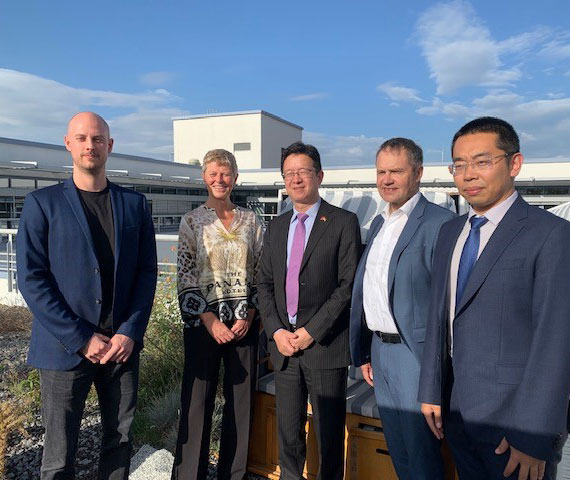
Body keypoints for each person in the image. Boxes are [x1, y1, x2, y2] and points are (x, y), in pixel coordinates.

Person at [419, 117, 570, 480]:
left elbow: (556, 342)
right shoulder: (450, 232)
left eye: (482, 161)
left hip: (514, 425)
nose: (469, 174)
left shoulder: (551, 234)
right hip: (455, 412)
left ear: (514, 163)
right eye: (459, 165)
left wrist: (534, 437)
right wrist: (431, 390)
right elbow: (438, 318)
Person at [16, 112, 157, 479]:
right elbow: (32, 279)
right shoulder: (42, 203)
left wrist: (130, 332)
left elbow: (146, 274)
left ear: (109, 145)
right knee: (59, 454)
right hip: (64, 348)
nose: (89, 145)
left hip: (121, 347)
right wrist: (81, 337)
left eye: (97, 139)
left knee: (119, 442)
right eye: (81, 138)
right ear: (68, 144)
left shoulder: (134, 204)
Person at [349, 138, 455, 479]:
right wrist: (365, 351)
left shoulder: (440, 223)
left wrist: (436, 373)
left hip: (415, 356)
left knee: (422, 454)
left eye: (396, 171)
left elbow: (447, 303)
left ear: (418, 173)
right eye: (381, 171)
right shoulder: (379, 223)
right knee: (400, 451)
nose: (387, 179)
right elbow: (372, 289)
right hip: (380, 352)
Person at [257, 141, 361, 480]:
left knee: (329, 436)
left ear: (319, 175)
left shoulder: (343, 222)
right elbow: (263, 284)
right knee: (288, 434)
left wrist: (311, 332)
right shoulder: (276, 226)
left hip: (324, 347)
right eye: (289, 173)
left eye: (303, 172)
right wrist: (276, 331)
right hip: (284, 347)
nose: (296, 179)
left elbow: (347, 286)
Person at [171, 149, 263, 480]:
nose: (219, 179)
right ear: (204, 178)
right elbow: (185, 277)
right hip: (203, 325)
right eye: (213, 173)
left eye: (225, 173)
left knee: (241, 404)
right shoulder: (192, 221)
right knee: (197, 404)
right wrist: (210, 321)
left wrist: (248, 314)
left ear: (235, 178)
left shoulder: (252, 221)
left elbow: (262, 272)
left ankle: (233, 475)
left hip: (243, 325)